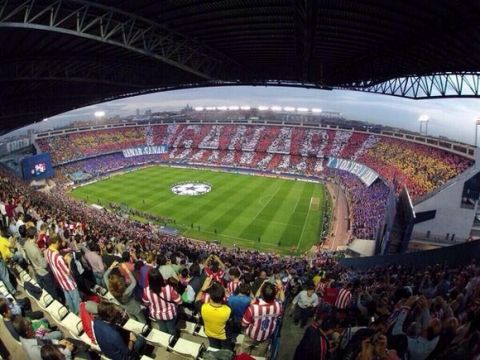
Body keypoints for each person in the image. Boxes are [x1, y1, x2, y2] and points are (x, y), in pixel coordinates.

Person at [241, 282, 283, 355]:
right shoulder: (278, 306)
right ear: (274, 295)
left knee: (244, 350)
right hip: (266, 336)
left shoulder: (253, 308)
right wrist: (280, 288)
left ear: (262, 294)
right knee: (260, 354)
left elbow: (244, 324)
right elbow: (282, 301)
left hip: (251, 336)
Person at [44, 236, 80, 314]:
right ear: (56, 243)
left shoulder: (48, 252)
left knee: (69, 300)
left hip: (61, 282)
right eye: (59, 243)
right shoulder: (58, 258)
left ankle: (72, 313)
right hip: (69, 283)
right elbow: (68, 272)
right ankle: (77, 314)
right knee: (76, 301)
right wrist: (69, 261)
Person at [142, 268, 182, 335]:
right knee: (171, 329)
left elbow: (146, 303)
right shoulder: (169, 288)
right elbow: (179, 301)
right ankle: (172, 340)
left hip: (157, 314)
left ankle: (165, 337)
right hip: (169, 314)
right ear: (160, 277)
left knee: (162, 328)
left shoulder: (146, 291)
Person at [23, 227, 58, 299]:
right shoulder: (35, 250)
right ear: (35, 235)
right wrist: (46, 255)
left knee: (46, 289)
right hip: (43, 272)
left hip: (36, 270)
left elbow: (28, 256)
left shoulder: (26, 244)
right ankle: (57, 301)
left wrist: (40, 251)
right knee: (52, 290)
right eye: (37, 233)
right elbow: (44, 264)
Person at [200, 278, 232, 349]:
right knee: (226, 351)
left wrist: (202, 290)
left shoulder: (203, 307)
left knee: (214, 348)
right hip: (223, 336)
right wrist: (228, 297)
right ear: (223, 297)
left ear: (210, 296)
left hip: (209, 333)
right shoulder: (228, 310)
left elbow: (197, 300)